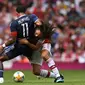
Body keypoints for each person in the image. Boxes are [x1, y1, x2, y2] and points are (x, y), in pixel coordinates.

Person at [0, 5, 64, 83]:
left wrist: (3, 45)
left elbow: (14, 39)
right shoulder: (32, 17)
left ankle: (58, 76)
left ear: (17, 13)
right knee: (36, 71)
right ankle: (57, 75)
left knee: (44, 55)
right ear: (25, 12)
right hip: (32, 44)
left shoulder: (14, 23)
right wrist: (36, 31)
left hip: (41, 41)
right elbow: (39, 23)